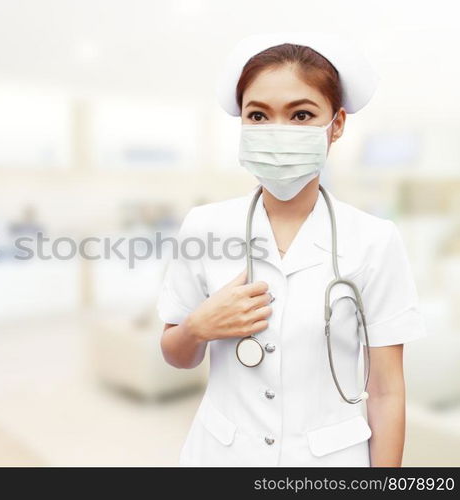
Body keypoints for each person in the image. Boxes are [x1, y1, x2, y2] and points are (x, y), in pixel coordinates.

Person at [157, 32, 427, 467]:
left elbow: (386, 391)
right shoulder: (204, 226)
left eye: (301, 115)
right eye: (258, 116)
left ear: (336, 125)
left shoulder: (375, 240)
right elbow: (176, 354)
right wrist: (198, 327)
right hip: (220, 456)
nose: (277, 132)